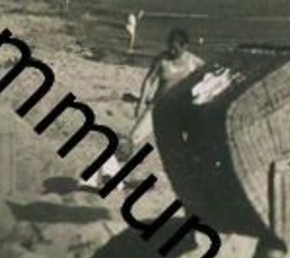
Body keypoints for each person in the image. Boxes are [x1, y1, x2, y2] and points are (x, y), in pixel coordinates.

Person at [83, 28, 204, 190]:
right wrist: (141, 103)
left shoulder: (195, 63)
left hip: (179, 113)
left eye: (175, 47)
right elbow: (149, 80)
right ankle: (100, 176)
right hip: (157, 108)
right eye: (169, 46)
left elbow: (209, 80)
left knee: (185, 150)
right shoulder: (162, 60)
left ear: (185, 46)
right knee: (131, 140)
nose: (171, 50)